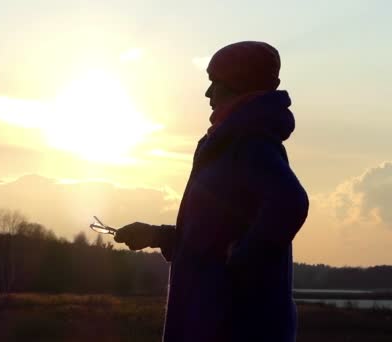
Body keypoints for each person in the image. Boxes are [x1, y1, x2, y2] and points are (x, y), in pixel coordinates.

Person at [114, 41, 309, 341]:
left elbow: (291, 202)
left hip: (235, 325)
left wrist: (244, 258)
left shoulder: (249, 143)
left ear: (237, 85)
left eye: (214, 84)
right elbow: (214, 233)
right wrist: (158, 235)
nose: (207, 95)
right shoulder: (228, 144)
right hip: (213, 321)